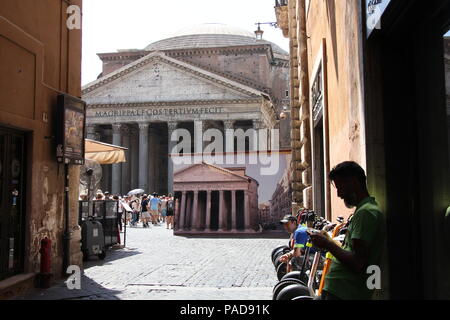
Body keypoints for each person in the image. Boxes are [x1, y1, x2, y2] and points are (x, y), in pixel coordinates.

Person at [309, 161, 384, 300]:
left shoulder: (366, 213)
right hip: (340, 290)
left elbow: (357, 262)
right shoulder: (364, 210)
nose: (338, 194)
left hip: (344, 292)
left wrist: (327, 244)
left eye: (340, 188)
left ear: (354, 182)